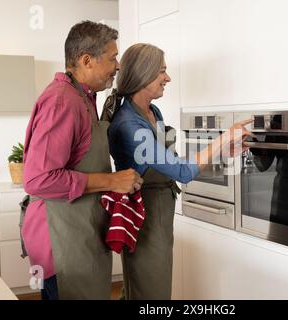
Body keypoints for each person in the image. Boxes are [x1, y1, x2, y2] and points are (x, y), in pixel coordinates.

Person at [107, 43, 253, 300]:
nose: (168, 78)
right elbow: (182, 172)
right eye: (162, 71)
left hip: (162, 211)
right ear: (143, 74)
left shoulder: (152, 111)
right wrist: (224, 137)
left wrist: (222, 151)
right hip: (145, 215)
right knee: (149, 292)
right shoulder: (128, 124)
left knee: (156, 288)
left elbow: (171, 160)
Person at [21, 21, 143, 300]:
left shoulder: (83, 97)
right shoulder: (62, 101)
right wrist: (112, 180)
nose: (118, 66)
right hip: (61, 243)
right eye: (113, 58)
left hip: (75, 234)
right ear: (87, 60)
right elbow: (38, 179)